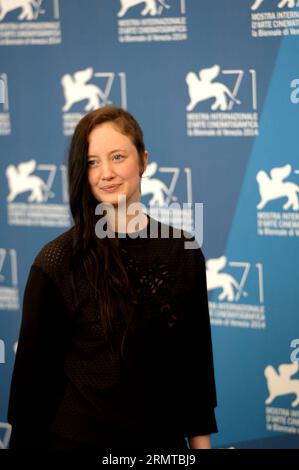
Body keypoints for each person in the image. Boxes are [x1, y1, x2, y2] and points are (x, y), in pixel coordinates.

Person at [7, 105, 218, 449]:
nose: (105, 173)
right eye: (92, 162)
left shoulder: (183, 251)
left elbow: (193, 373)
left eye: (118, 156)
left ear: (144, 160)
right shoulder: (57, 261)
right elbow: (31, 393)